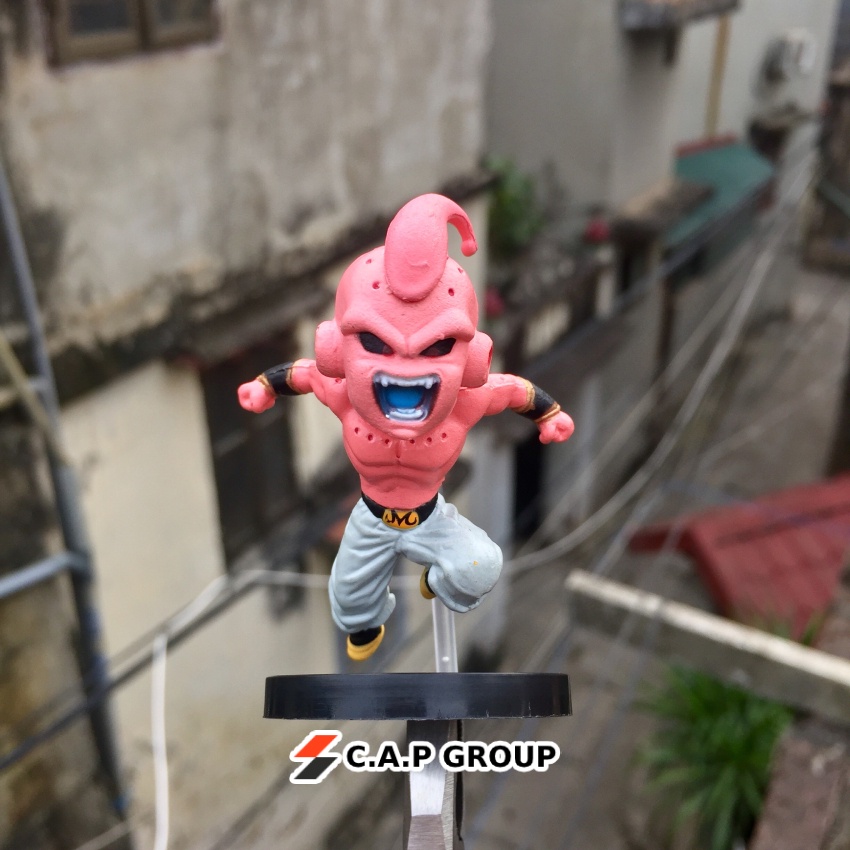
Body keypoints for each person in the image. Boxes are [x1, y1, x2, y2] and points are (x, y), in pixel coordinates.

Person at [238, 194, 573, 660]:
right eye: (375, 343)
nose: (405, 371)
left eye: (436, 347)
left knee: (479, 568)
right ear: (335, 351)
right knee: (349, 599)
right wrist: (263, 387)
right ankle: (366, 625)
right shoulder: (347, 396)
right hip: (369, 519)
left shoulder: (463, 404)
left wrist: (551, 415)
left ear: (474, 361)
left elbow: (513, 390)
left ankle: (438, 577)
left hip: (431, 518)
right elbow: (304, 375)